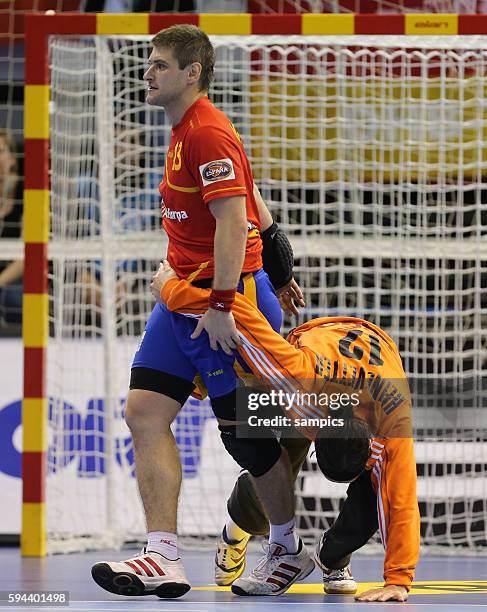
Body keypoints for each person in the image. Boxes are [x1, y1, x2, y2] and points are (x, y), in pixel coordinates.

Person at [91, 24, 312, 600]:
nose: (148, 73)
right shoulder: (184, 130)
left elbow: (239, 220)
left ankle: (287, 546)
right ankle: (162, 553)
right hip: (182, 297)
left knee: (249, 440)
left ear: (192, 73)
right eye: (148, 63)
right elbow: (259, 206)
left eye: (160, 65)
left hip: (223, 301)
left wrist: (224, 303)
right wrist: (284, 274)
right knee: (143, 411)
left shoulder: (208, 132)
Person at [154, 261, 420, 602]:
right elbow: (240, 316)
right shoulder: (296, 373)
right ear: (317, 430)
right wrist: (168, 288)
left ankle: (333, 557)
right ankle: (235, 533)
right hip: (314, 350)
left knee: (376, 495)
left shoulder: (393, 427)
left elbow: (402, 504)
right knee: (267, 463)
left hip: (369, 357)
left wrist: (398, 580)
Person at [0, 131, 23, 327]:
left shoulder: (27, 192)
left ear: (12, 159)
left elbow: (28, 257)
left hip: (15, 279)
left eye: (0, 151)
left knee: (12, 299)